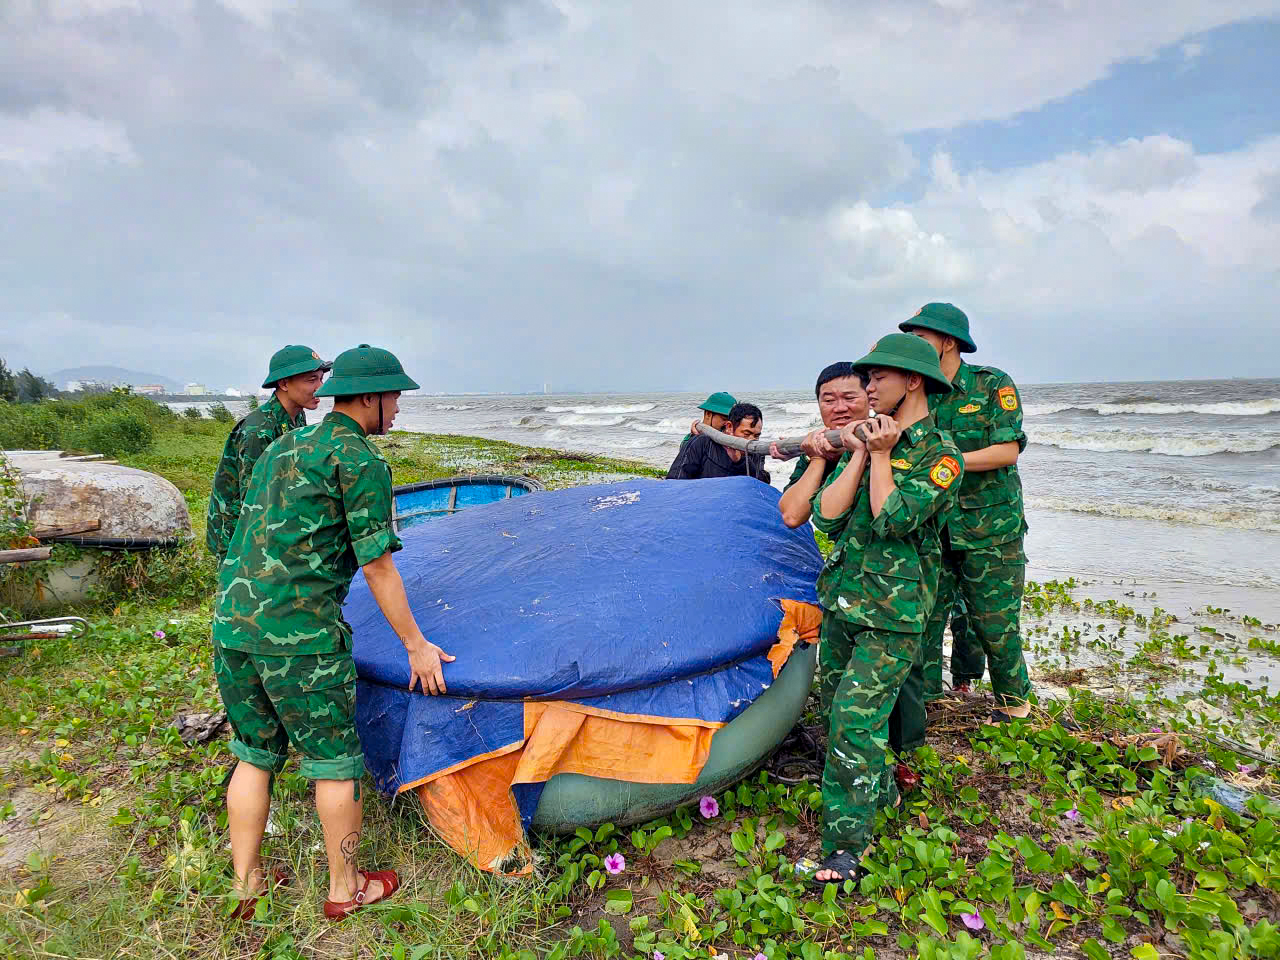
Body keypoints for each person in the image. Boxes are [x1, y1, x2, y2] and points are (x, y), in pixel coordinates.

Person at [211, 344, 455, 921]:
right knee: (334, 763)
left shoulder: (282, 445)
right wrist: (417, 648)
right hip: (300, 641)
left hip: (233, 626)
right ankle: (346, 889)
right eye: (394, 398)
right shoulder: (361, 460)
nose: (397, 409)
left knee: (254, 754)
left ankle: (246, 888)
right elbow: (377, 565)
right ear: (369, 397)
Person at [797, 333, 963, 889]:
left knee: (853, 721)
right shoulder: (869, 442)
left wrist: (886, 456)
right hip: (846, 601)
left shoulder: (943, 455)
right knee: (835, 713)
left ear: (911, 381)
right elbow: (827, 517)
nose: (867, 389)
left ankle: (845, 848)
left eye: (877, 380)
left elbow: (893, 518)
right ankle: (880, 790)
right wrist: (865, 452)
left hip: (894, 615)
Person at [900, 303, 1033, 721]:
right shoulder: (916, 387)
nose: (913, 345)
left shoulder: (992, 385)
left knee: (995, 627)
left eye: (920, 338)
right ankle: (925, 710)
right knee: (923, 624)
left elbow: (1007, 450)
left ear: (949, 342)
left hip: (989, 530)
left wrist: (947, 461)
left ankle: (1016, 710)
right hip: (932, 529)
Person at [206, 345, 331, 564]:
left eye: (321, 379)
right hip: (239, 536)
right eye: (312, 380)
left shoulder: (296, 417)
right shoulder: (258, 431)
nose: (320, 387)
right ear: (284, 383)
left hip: (270, 527)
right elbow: (253, 499)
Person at [773, 362, 869, 528]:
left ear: (871, 398)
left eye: (850, 398)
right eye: (829, 400)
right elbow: (791, 516)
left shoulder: (884, 442)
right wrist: (818, 459)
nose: (839, 408)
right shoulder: (817, 450)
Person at [666, 402, 770, 481]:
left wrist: (740, 461)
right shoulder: (702, 443)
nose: (751, 440)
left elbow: (761, 486)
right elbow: (675, 481)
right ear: (729, 427)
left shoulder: (756, 451)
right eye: (746, 434)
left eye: (756, 436)